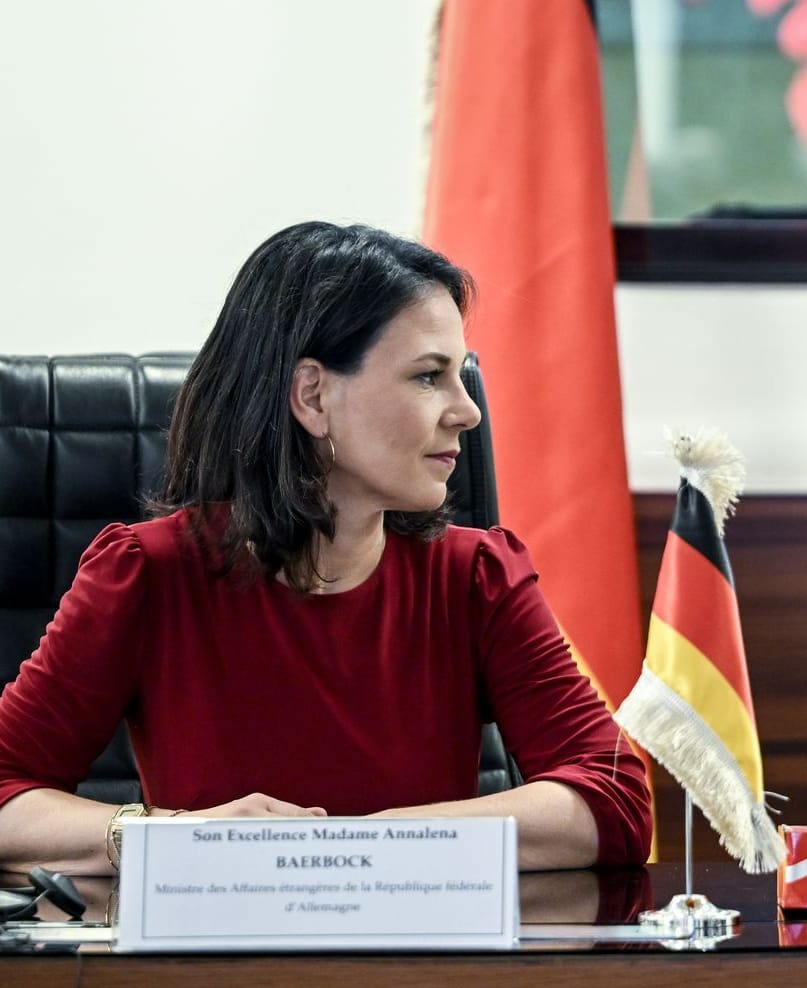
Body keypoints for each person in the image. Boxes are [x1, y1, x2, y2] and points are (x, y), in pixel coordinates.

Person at [0, 221, 651, 874]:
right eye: (428, 377)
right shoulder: (148, 574)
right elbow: (7, 785)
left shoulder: (477, 576)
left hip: (423, 969)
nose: (466, 411)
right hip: (209, 972)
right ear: (312, 395)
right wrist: (169, 836)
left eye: (458, 375)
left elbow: (613, 795)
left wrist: (370, 844)